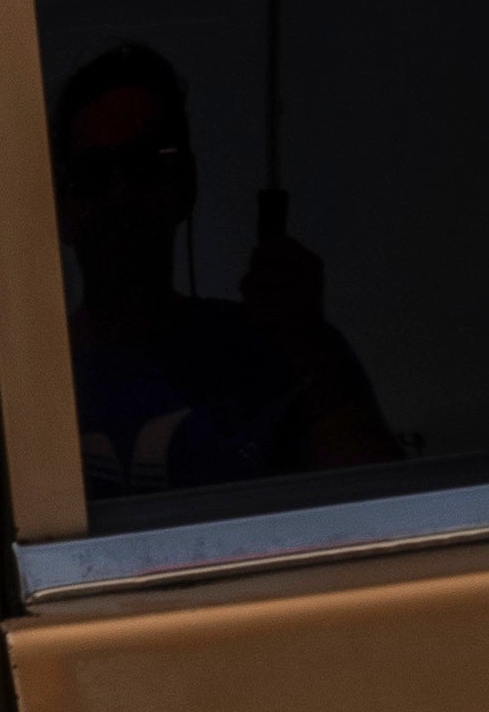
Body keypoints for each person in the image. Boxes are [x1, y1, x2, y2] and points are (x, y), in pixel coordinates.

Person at [51, 41, 397, 498]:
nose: (119, 194)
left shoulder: (271, 351)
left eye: (143, 167)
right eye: (91, 175)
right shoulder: (34, 381)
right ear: (60, 205)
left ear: (186, 183)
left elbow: (379, 509)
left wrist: (309, 343)